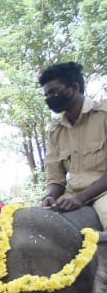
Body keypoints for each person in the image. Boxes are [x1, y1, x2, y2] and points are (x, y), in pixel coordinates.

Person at [40, 61, 107, 229]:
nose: (50, 99)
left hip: (103, 194)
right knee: (34, 225)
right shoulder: (55, 130)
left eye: (54, 92)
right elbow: (56, 179)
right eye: (47, 95)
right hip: (70, 196)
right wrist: (49, 197)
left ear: (75, 88)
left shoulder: (103, 115)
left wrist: (81, 198)